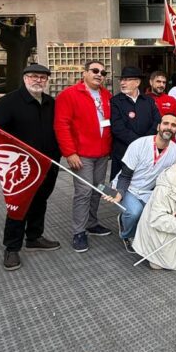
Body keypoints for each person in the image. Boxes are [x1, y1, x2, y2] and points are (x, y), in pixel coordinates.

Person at [0, 63, 61, 271]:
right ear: (25, 78)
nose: (38, 80)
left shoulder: (51, 102)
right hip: (22, 166)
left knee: (40, 200)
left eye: (43, 77)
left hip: (48, 164)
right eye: (34, 76)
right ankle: (12, 247)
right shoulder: (7, 102)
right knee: (19, 205)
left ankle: (34, 237)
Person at [54, 59, 113, 253]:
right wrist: (70, 152)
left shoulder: (106, 94)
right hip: (82, 155)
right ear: (84, 73)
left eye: (103, 73)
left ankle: (92, 223)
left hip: (102, 153)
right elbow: (61, 125)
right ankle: (79, 232)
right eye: (95, 71)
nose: (99, 75)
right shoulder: (69, 94)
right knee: (84, 192)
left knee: (97, 189)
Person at [112, 113, 176, 252]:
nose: (169, 127)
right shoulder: (139, 144)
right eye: (166, 123)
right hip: (128, 187)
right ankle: (127, 234)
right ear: (158, 126)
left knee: (157, 213)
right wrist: (119, 194)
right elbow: (125, 176)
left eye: (173, 125)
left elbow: (171, 179)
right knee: (134, 212)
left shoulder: (175, 151)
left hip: (148, 191)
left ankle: (134, 224)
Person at [109, 67, 160, 179]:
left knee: (143, 182)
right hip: (123, 152)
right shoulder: (115, 101)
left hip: (146, 151)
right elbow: (117, 128)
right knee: (120, 183)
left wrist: (146, 142)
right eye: (121, 80)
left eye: (127, 80)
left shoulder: (149, 101)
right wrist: (140, 143)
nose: (122, 83)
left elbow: (157, 121)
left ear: (137, 82)